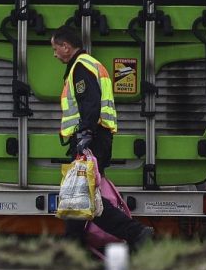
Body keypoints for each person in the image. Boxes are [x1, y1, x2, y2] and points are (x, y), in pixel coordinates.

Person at [51, 25, 153, 249]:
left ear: (66, 47)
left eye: (56, 48)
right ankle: (72, 243)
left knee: (85, 195)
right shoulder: (91, 64)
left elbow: (90, 102)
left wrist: (85, 134)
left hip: (91, 138)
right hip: (98, 137)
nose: (54, 54)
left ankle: (136, 232)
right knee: (81, 193)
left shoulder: (81, 67)